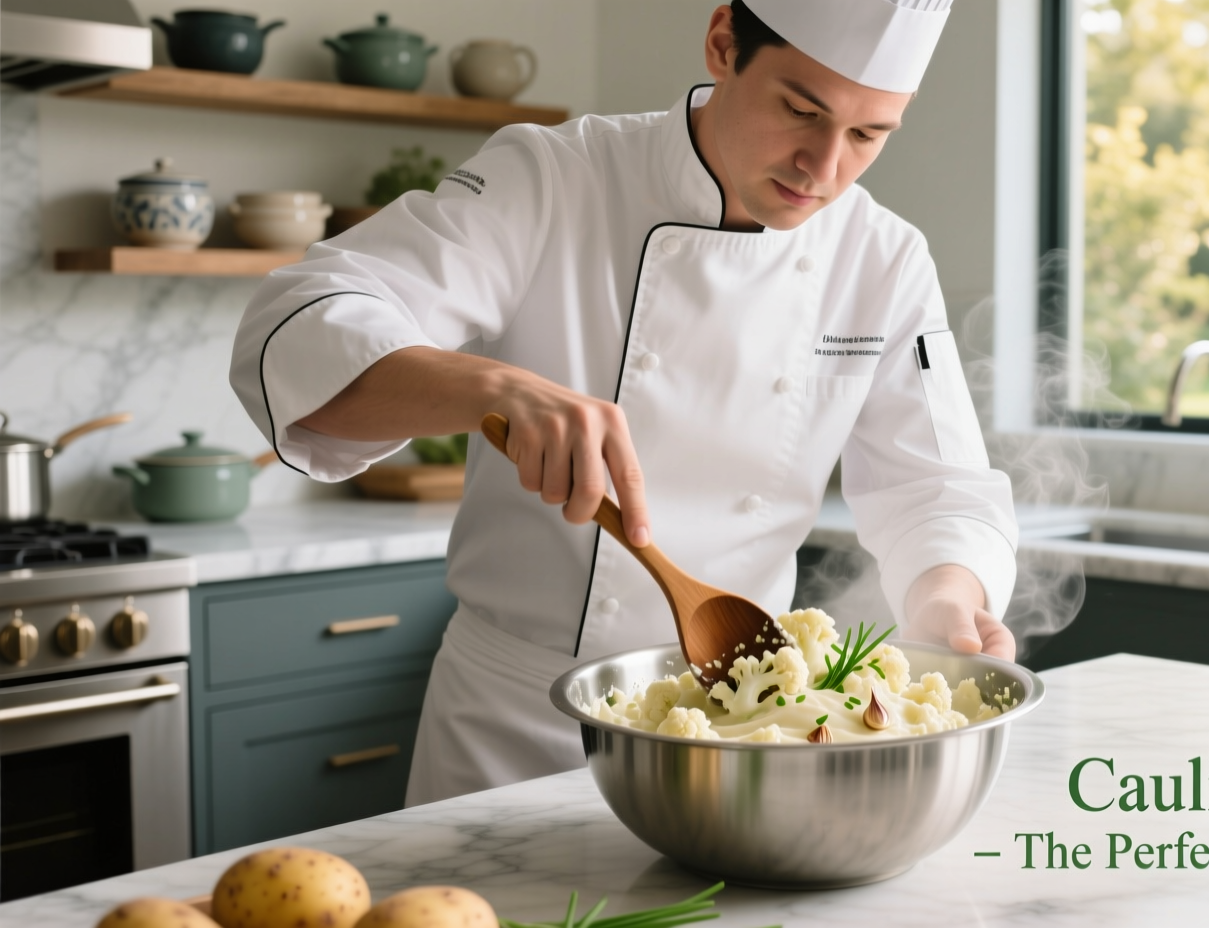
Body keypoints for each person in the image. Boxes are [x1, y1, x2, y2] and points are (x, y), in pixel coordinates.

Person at [229, 0, 1017, 806]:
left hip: (738, 732)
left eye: (867, 135)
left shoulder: (880, 258)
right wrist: (491, 388)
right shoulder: (556, 177)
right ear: (722, 44)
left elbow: (936, 486)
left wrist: (947, 601)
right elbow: (296, 327)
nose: (823, 167)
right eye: (799, 109)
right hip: (512, 728)